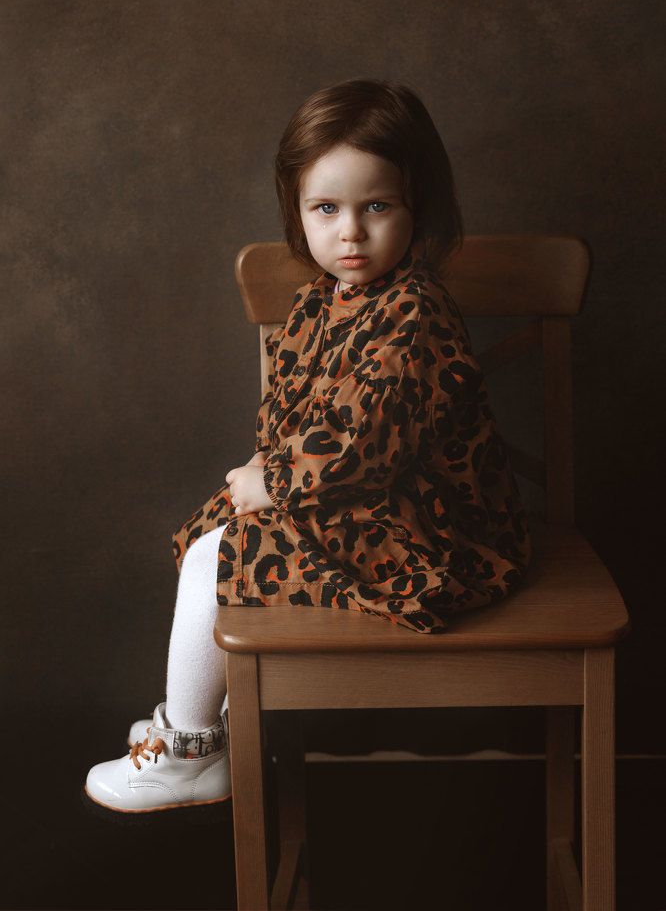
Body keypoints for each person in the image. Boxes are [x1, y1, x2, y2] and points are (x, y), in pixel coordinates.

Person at [84, 78, 532, 814]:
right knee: (212, 532)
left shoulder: (413, 314)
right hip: (368, 508)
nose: (350, 232)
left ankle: (190, 750)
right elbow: (297, 413)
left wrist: (277, 480)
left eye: (376, 206)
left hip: (439, 537)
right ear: (297, 211)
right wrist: (265, 467)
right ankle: (207, 723)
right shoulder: (320, 303)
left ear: (418, 206)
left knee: (218, 557)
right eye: (326, 209)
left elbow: (364, 442)